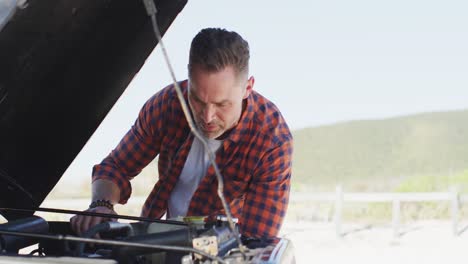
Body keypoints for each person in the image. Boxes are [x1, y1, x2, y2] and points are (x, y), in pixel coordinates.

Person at [70, 28, 293, 239]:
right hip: (158, 238)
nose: (207, 117)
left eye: (222, 104)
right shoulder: (167, 105)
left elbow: (256, 239)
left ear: (247, 88)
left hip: (224, 251)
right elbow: (115, 167)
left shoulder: (272, 141)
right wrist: (102, 205)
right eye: (197, 99)